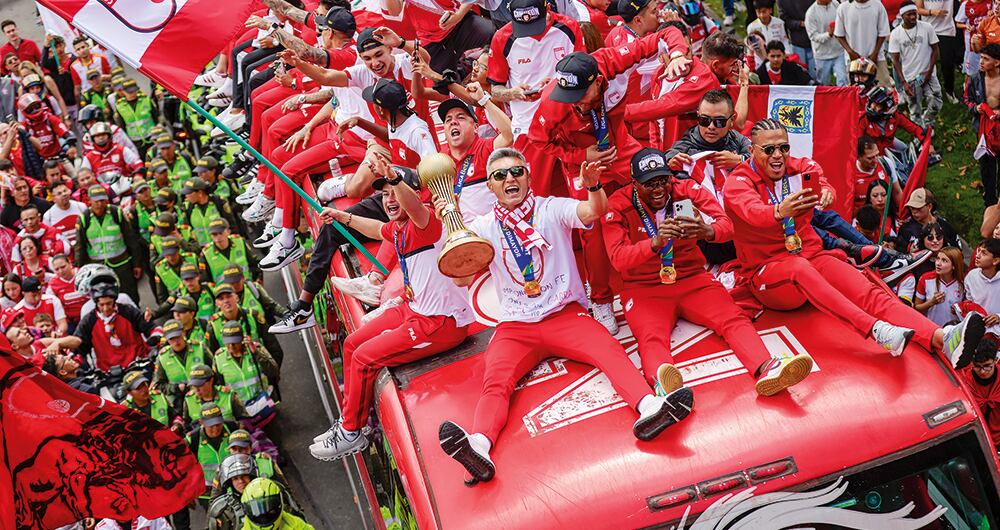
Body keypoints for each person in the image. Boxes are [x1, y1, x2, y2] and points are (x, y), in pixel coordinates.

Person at [437, 148, 694, 485]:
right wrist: (449, 226)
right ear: (490, 186)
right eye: (500, 175)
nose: (509, 179)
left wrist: (592, 185)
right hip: (516, 325)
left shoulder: (550, 208)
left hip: (565, 314)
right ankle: (479, 446)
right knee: (495, 382)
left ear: (528, 176)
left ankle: (650, 407)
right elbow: (459, 276)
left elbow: (594, 210)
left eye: (516, 172)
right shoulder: (482, 227)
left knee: (610, 352)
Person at [723, 119, 984, 368]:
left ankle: (942, 337)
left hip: (810, 258)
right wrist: (780, 210)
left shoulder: (798, 166)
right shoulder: (738, 182)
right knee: (799, 270)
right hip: (769, 273)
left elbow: (820, 178)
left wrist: (827, 192)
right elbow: (753, 212)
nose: (778, 155)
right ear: (752, 150)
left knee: (867, 290)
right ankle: (875, 330)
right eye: (769, 149)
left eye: (784, 147)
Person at [604, 147, 814, 396]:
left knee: (733, 318)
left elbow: (726, 224)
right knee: (651, 337)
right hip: (645, 288)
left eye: (663, 180)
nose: (659, 189)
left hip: (692, 277)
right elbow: (618, 259)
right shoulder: (618, 204)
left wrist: (707, 231)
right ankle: (667, 388)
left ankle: (767, 367)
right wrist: (654, 243)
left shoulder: (686, 190)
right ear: (634, 183)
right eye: (649, 184)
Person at [527, 26, 692, 334]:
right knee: (592, 226)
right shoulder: (554, 101)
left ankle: (684, 262)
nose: (574, 103)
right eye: (568, 96)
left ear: (598, 81)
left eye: (580, 96)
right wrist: (579, 155)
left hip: (620, 146)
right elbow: (539, 141)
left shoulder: (613, 61)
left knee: (661, 184)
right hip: (584, 159)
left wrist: (678, 54)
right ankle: (601, 298)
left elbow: (663, 33)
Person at [308, 162, 474, 461]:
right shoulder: (399, 228)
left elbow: (414, 206)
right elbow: (376, 228)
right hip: (414, 310)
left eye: (394, 192)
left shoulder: (426, 222)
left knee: (363, 357)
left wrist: (397, 179)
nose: (390, 200)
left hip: (440, 323)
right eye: (384, 195)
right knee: (350, 344)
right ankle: (350, 419)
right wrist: (342, 216)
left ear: (412, 194)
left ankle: (351, 431)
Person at [487, 0, 585, 197]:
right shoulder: (503, 38)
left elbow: (584, 73)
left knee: (578, 194)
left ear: (547, 8)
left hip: (569, 124)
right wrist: (512, 93)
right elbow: (495, 89)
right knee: (534, 195)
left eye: (534, 24)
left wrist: (556, 83)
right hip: (529, 129)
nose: (530, 31)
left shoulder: (569, 27)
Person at [48, 273, 161, 371]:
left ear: (115, 300)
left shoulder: (128, 311)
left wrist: (155, 337)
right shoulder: (89, 321)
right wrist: (75, 359)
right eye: (101, 304)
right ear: (95, 302)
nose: (106, 308)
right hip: (109, 373)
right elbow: (80, 345)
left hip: (139, 364)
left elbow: (150, 328)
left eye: (109, 303)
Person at [74, 185, 143, 304]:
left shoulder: (117, 213)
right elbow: (80, 246)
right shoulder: (84, 218)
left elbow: (131, 238)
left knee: (129, 295)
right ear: (89, 200)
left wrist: (136, 263)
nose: (99, 204)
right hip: (98, 268)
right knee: (105, 298)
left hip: (121, 264)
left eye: (102, 200)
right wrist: (80, 268)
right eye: (96, 201)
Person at [888, 3, 942, 128]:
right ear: (902, 16)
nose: (913, 17)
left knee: (936, 101)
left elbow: (935, 50)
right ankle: (919, 132)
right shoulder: (896, 34)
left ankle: (928, 120)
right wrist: (903, 83)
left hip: (928, 73)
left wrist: (929, 72)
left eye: (915, 13)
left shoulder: (927, 27)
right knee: (914, 108)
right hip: (910, 77)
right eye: (909, 14)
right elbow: (895, 61)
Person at [212, 320, 281, 418]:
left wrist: (256, 353)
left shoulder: (255, 348)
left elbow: (274, 371)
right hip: (241, 413)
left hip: (263, 405)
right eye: (228, 342)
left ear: (242, 338)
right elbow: (218, 387)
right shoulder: (219, 357)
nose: (231, 346)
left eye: (235, 342)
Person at [967, 44, 1000, 207]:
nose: (981, 62)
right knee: (986, 164)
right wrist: (976, 108)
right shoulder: (975, 78)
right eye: (981, 57)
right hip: (983, 128)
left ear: (997, 62)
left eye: (986, 59)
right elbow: (967, 100)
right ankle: (990, 199)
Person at [152, 318, 213, 407]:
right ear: (167, 340)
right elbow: (159, 385)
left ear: (183, 332)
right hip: (179, 401)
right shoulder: (162, 357)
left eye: (178, 336)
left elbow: (214, 372)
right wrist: (176, 388)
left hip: (204, 397)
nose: (176, 341)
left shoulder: (199, 348)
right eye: (171, 339)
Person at [187, 402, 239, 502]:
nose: (215, 429)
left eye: (218, 424)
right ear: (201, 423)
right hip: (208, 493)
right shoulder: (192, 439)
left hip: (234, 486)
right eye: (211, 425)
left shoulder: (232, 428)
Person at [834, 0, 891, 86]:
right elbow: (839, 34)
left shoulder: (877, 5)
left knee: (883, 88)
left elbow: (883, 32)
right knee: (856, 91)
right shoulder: (843, 7)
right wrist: (850, 52)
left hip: (876, 58)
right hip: (853, 59)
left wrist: (875, 53)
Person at [181, 364, 249, 428]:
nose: (197, 390)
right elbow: (186, 427)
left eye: (200, 385)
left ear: (211, 380)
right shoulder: (189, 400)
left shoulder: (228, 396)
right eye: (194, 386)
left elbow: (244, 421)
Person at [960, 339, 1000, 444]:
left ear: (996, 360)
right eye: (977, 366)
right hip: (977, 441)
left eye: (987, 366)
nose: (982, 371)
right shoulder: (964, 383)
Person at [915, 247, 967, 326]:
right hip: (931, 329)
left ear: (954, 266)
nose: (938, 263)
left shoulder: (963, 282)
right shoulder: (926, 278)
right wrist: (931, 302)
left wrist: (959, 309)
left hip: (953, 331)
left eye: (944, 260)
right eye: (938, 258)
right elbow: (917, 308)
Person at [121, 370, 185, 434]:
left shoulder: (159, 397)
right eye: (138, 388)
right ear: (129, 392)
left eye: (143, 384)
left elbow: (175, 417)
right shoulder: (125, 410)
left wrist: (177, 425)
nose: (143, 390)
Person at [200, 219, 260, 284]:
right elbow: (206, 280)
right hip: (224, 291)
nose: (218, 237)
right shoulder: (206, 253)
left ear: (228, 231)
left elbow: (253, 263)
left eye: (221, 233)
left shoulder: (239, 242)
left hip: (246, 285)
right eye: (214, 234)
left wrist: (257, 278)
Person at [240, 477, 314, 530]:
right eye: (256, 511)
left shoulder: (296, 525)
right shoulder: (294, 524)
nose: (264, 517)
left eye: (270, 510)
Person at [805, 0, 846, 85]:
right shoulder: (811, 13)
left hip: (839, 52)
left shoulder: (835, 4)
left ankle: (842, 98)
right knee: (824, 84)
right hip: (822, 56)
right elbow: (813, 36)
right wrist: (828, 34)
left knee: (843, 80)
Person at [966, 238, 1000, 336]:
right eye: (979, 251)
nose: (977, 255)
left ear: (995, 260)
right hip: (976, 331)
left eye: (984, 253)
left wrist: (998, 317)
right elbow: (970, 303)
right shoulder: (971, 276)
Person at [113, 79, 157, 154]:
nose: (132, 93)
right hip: (135, 142)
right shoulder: (119, 106)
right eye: (129, 92)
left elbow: (156, 118)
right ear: (123, 91)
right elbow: (122, 126)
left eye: (134, 90)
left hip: (152, 138)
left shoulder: (146, 100)